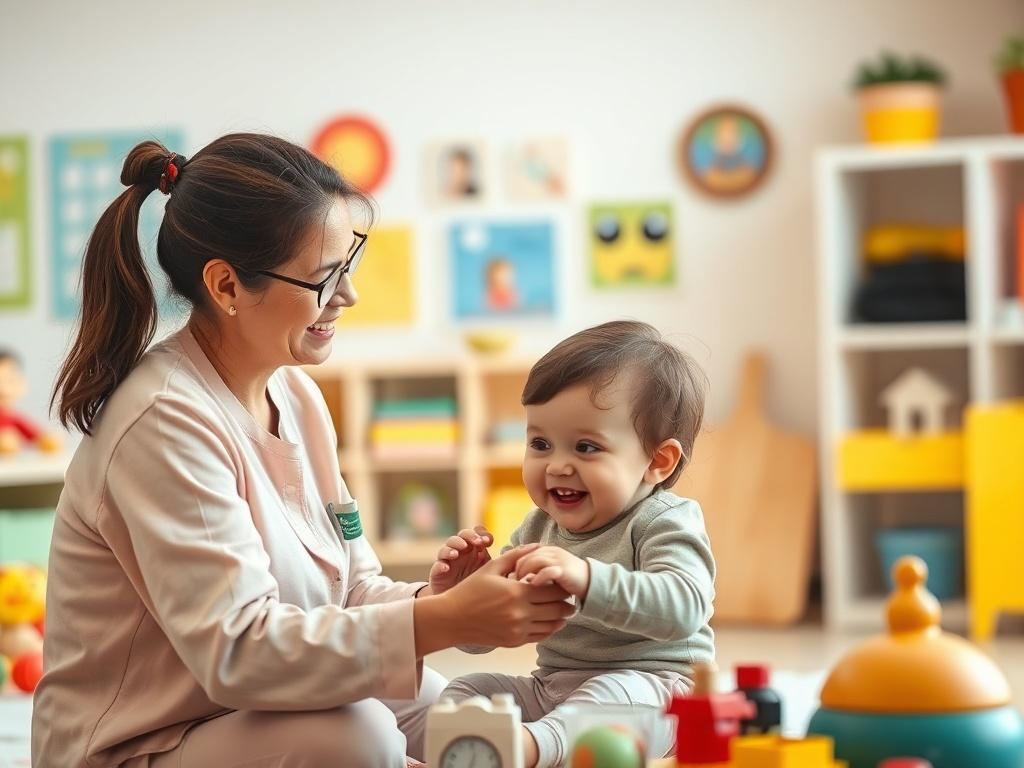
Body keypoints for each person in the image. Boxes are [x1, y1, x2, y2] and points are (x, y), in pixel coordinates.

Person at [33, 133, 574, 768]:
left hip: (250, 711)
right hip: (142, 744)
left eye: (349, 268)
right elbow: (238, 653)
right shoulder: (163, 421)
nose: (347, 298)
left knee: (448, 708)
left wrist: (436, 604)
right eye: (324, 278)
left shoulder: (295, 395)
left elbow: (349, 589)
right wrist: (447, 622)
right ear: (227, 286)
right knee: (359, 736)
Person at [429, 320, 715, 767]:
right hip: (555, 688)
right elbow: (487, 638)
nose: (557, 466)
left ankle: (525, 751)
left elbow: (685, 608)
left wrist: (586, 579)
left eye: (585, 447)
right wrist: (461, 598)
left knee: (607, 697)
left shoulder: (664, 521)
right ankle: (480, 749)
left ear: (657, 461)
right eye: (540, 443)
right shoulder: (537, 528)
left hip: (660, 695)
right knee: (467, 690)